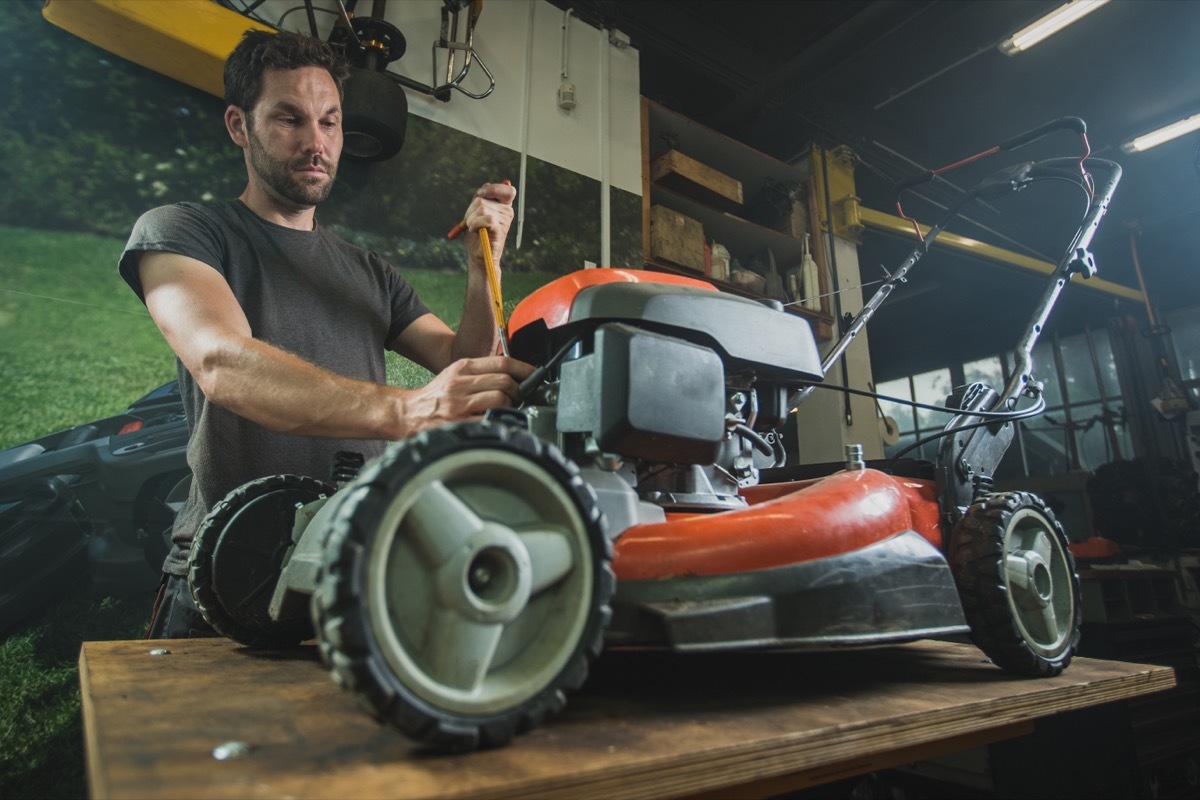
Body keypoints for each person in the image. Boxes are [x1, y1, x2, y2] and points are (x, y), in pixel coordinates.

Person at [119, 29, 533, 638]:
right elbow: (220, 362)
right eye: (289, 119)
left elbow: (462, 362)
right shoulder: (184, 231)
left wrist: (482, 265)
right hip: (228, 573)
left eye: (330, 122)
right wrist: (408, 408)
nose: (316, 143)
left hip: (351, 570)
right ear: (240, 125)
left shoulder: (369, 272)